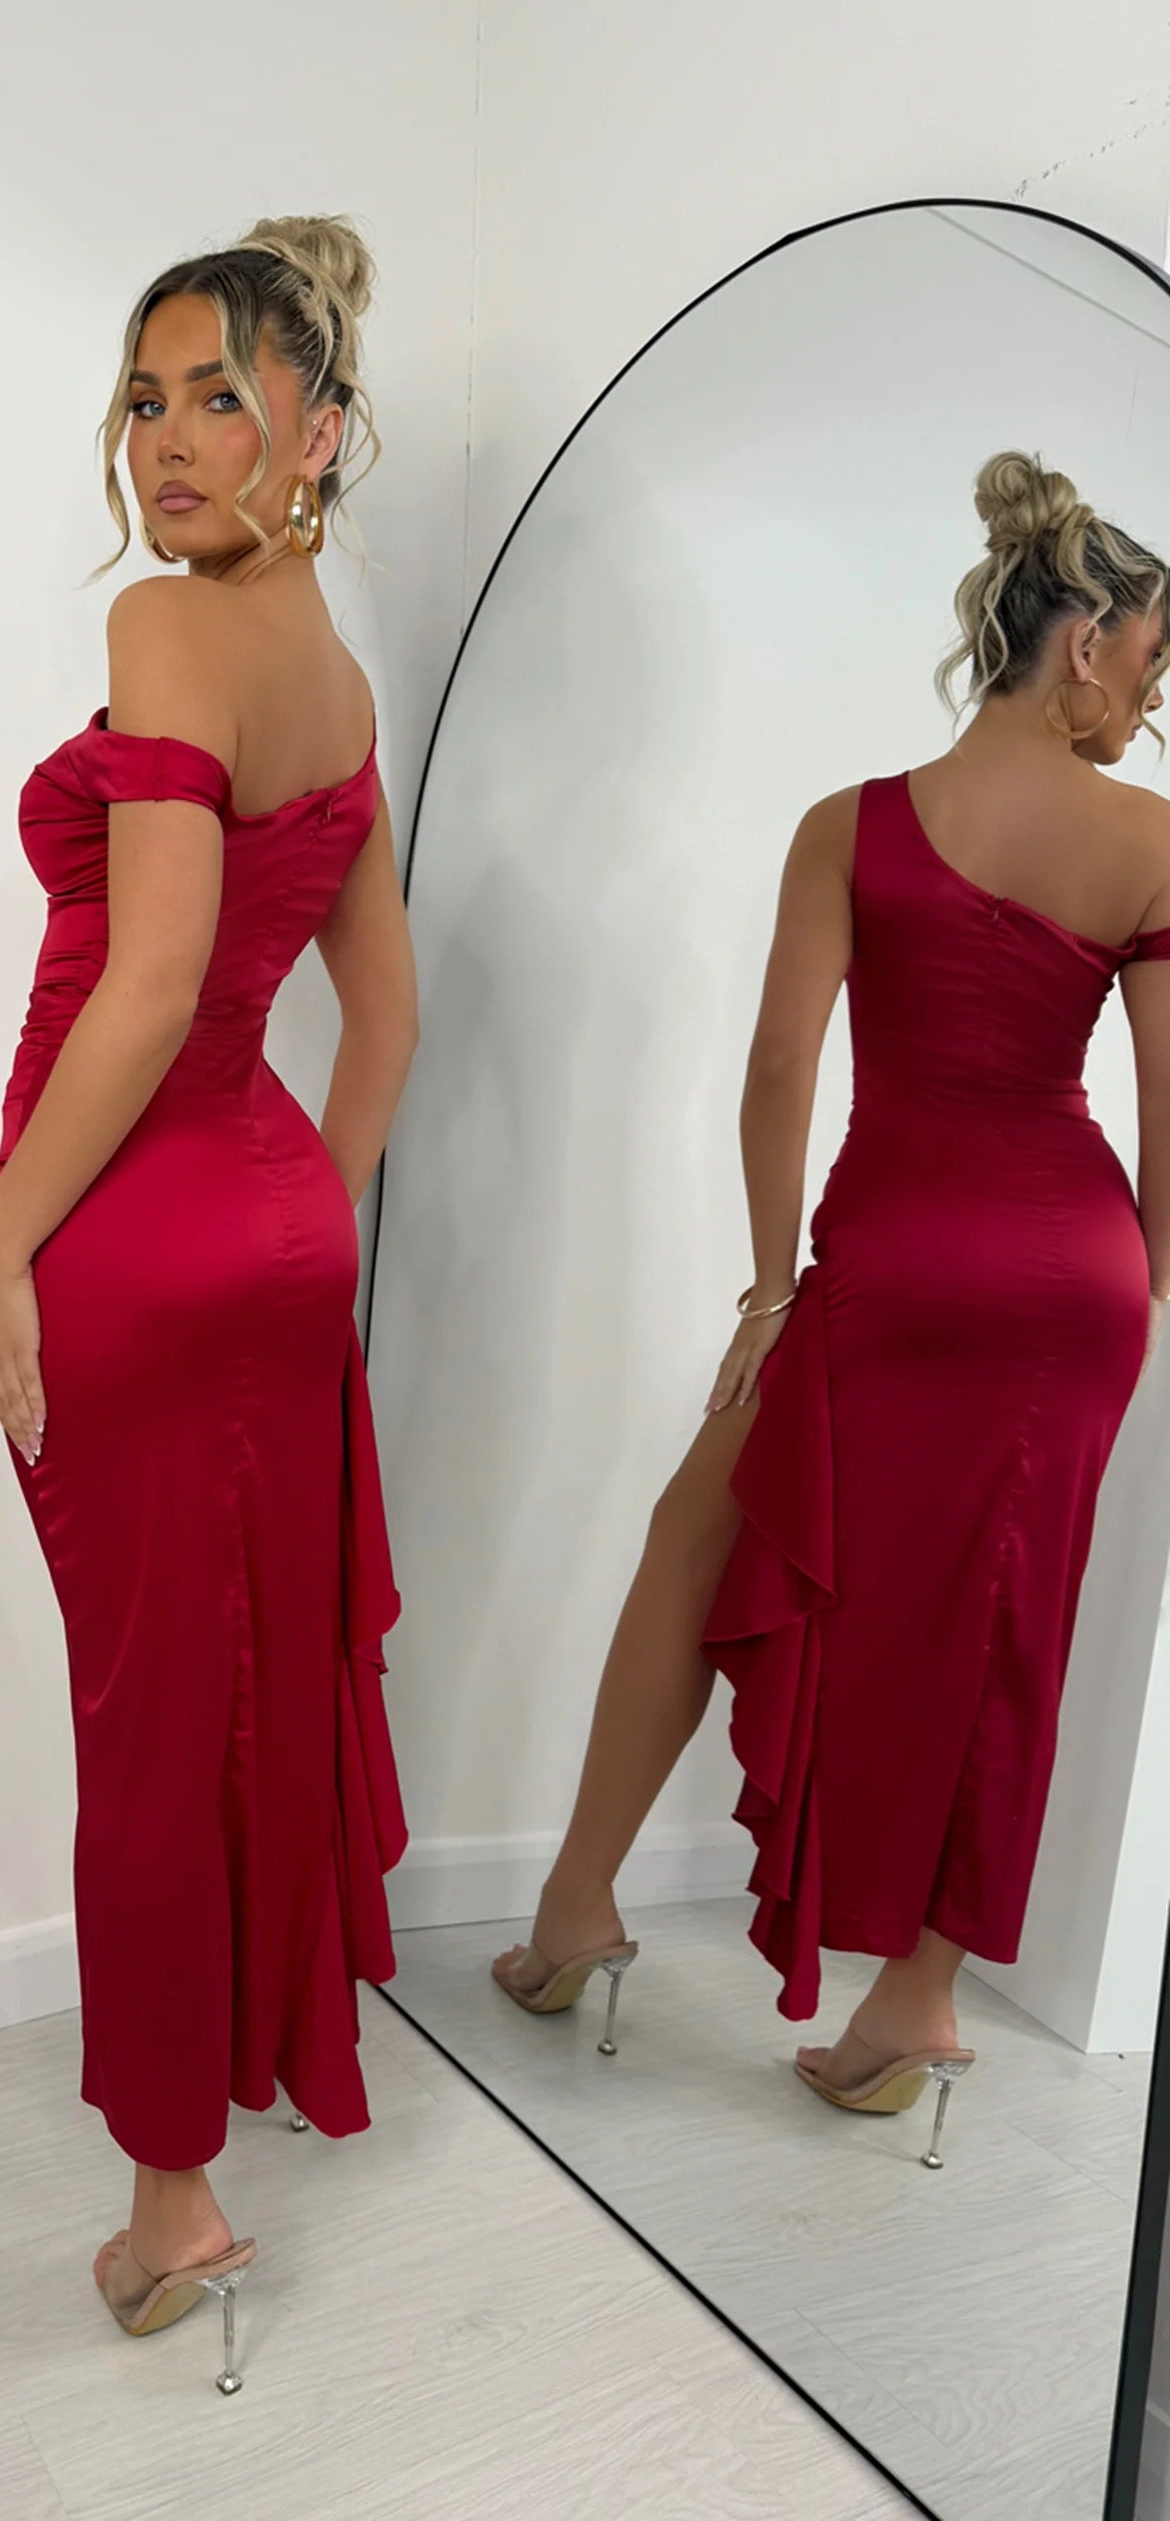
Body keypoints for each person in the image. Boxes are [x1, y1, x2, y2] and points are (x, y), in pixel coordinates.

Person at [492, 450, 1170, 2166]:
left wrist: (774, 1279)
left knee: (698, 1537)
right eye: (1154, 659)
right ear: (1084, 639)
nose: (1151, 702)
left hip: (892, 1255)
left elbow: (780, 1069)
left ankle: (576, 1909)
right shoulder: (1157, 846)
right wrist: (1140, 1299)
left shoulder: (849, 825)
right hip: (1074, 1279)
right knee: (1005, 1619)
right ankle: (915, 1997)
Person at [0, 214, 419, 2375]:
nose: (165, 441)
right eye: (144, 399)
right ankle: (224, 2112)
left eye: (219, 397)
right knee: (235, 1689)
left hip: (134, 1239)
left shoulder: (164, 630)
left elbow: (147, 988)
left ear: (318, 432)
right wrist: (295, 1227)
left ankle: (174, 2205)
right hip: (266, 1237)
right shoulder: (339, 682)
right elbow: (386, 1018)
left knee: (150, 1720)